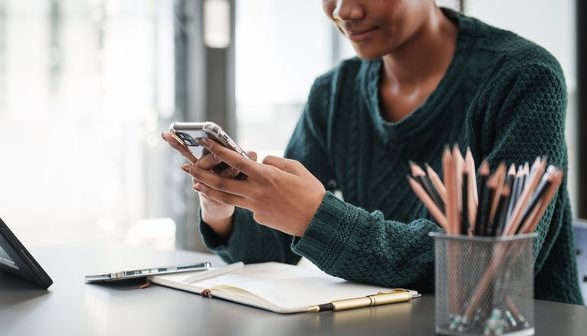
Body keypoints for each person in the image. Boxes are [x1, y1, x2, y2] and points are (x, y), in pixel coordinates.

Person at [162, 0, 583, 304]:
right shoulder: (334, 93)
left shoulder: (524, 78)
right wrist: (222, 205)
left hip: (519, 333)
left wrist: (316, 217)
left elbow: (494, 269)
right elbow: (272, 252)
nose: (344, 10)